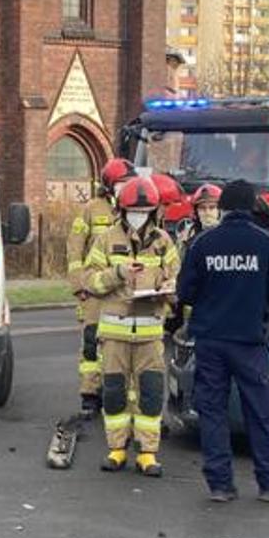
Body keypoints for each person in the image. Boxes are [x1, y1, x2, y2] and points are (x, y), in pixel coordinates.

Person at [175, 180, 269, 503]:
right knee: (260, 412)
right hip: (250, 341)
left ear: (224, 208)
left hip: (211, 341)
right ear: (254, 207)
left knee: (212, 412)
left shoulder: (203, 244)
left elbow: (185, 291)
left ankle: (220, 484)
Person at [80, 175, 181, 476]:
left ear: (153, 212)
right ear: (122, 211)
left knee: (150, 392)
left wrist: (170, 287)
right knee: (114, 392)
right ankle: (116, 449)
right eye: (135, 211)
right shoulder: (106, 239)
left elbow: (177, 279)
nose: (140, 216)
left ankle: (147, 453)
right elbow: (90, 280)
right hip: (115, 333)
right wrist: (119, 273)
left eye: (145, 211)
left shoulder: (164, 242)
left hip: (150, 332)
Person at [66, 159, 134, 416]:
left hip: (120, 291)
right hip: (93, 290)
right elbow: (74, 250)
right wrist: (78, 286)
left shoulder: (132, 211)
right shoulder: (91, 210)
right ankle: (89, 395)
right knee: (91, 342)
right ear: (109, 186)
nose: (124, 188)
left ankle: (115, 393)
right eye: (121, 184)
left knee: (118, 344)